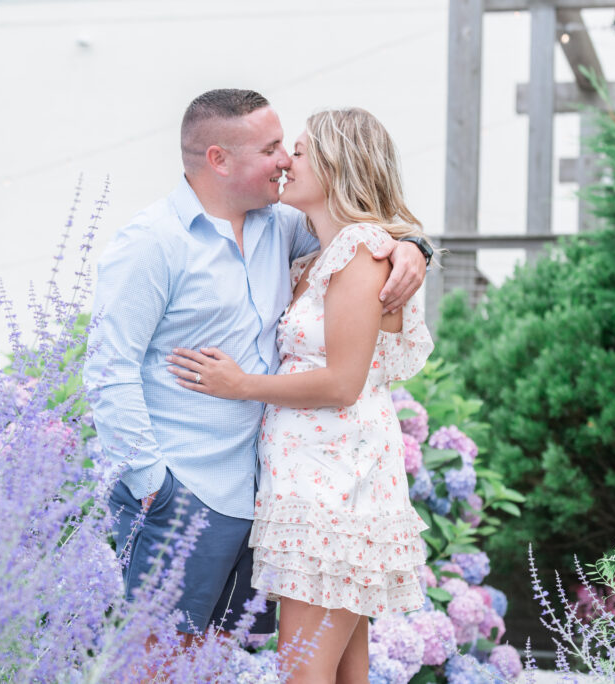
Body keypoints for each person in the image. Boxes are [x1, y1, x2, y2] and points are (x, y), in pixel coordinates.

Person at [83, 90, 430, 651]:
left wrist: (412, 247)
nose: (286, 161)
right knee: (156, 662)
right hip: (182, 491)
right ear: (218, 159)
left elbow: (357, 233)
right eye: (272, 149)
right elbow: (108, 370)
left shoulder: (282, 227)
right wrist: (152, 485)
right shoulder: (153, 242)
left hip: (265, 494)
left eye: (289, 148)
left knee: (218, 663)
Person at [166, 107, 433, 682]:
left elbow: (343, 382)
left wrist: (240, 386)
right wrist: (413, 242)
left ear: (340, 166)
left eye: (303, 151)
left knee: (303, 673)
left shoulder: (361, 252)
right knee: (344, 673)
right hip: (310, 481)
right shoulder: (314, 254)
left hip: (337, 486)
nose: (288, 160)